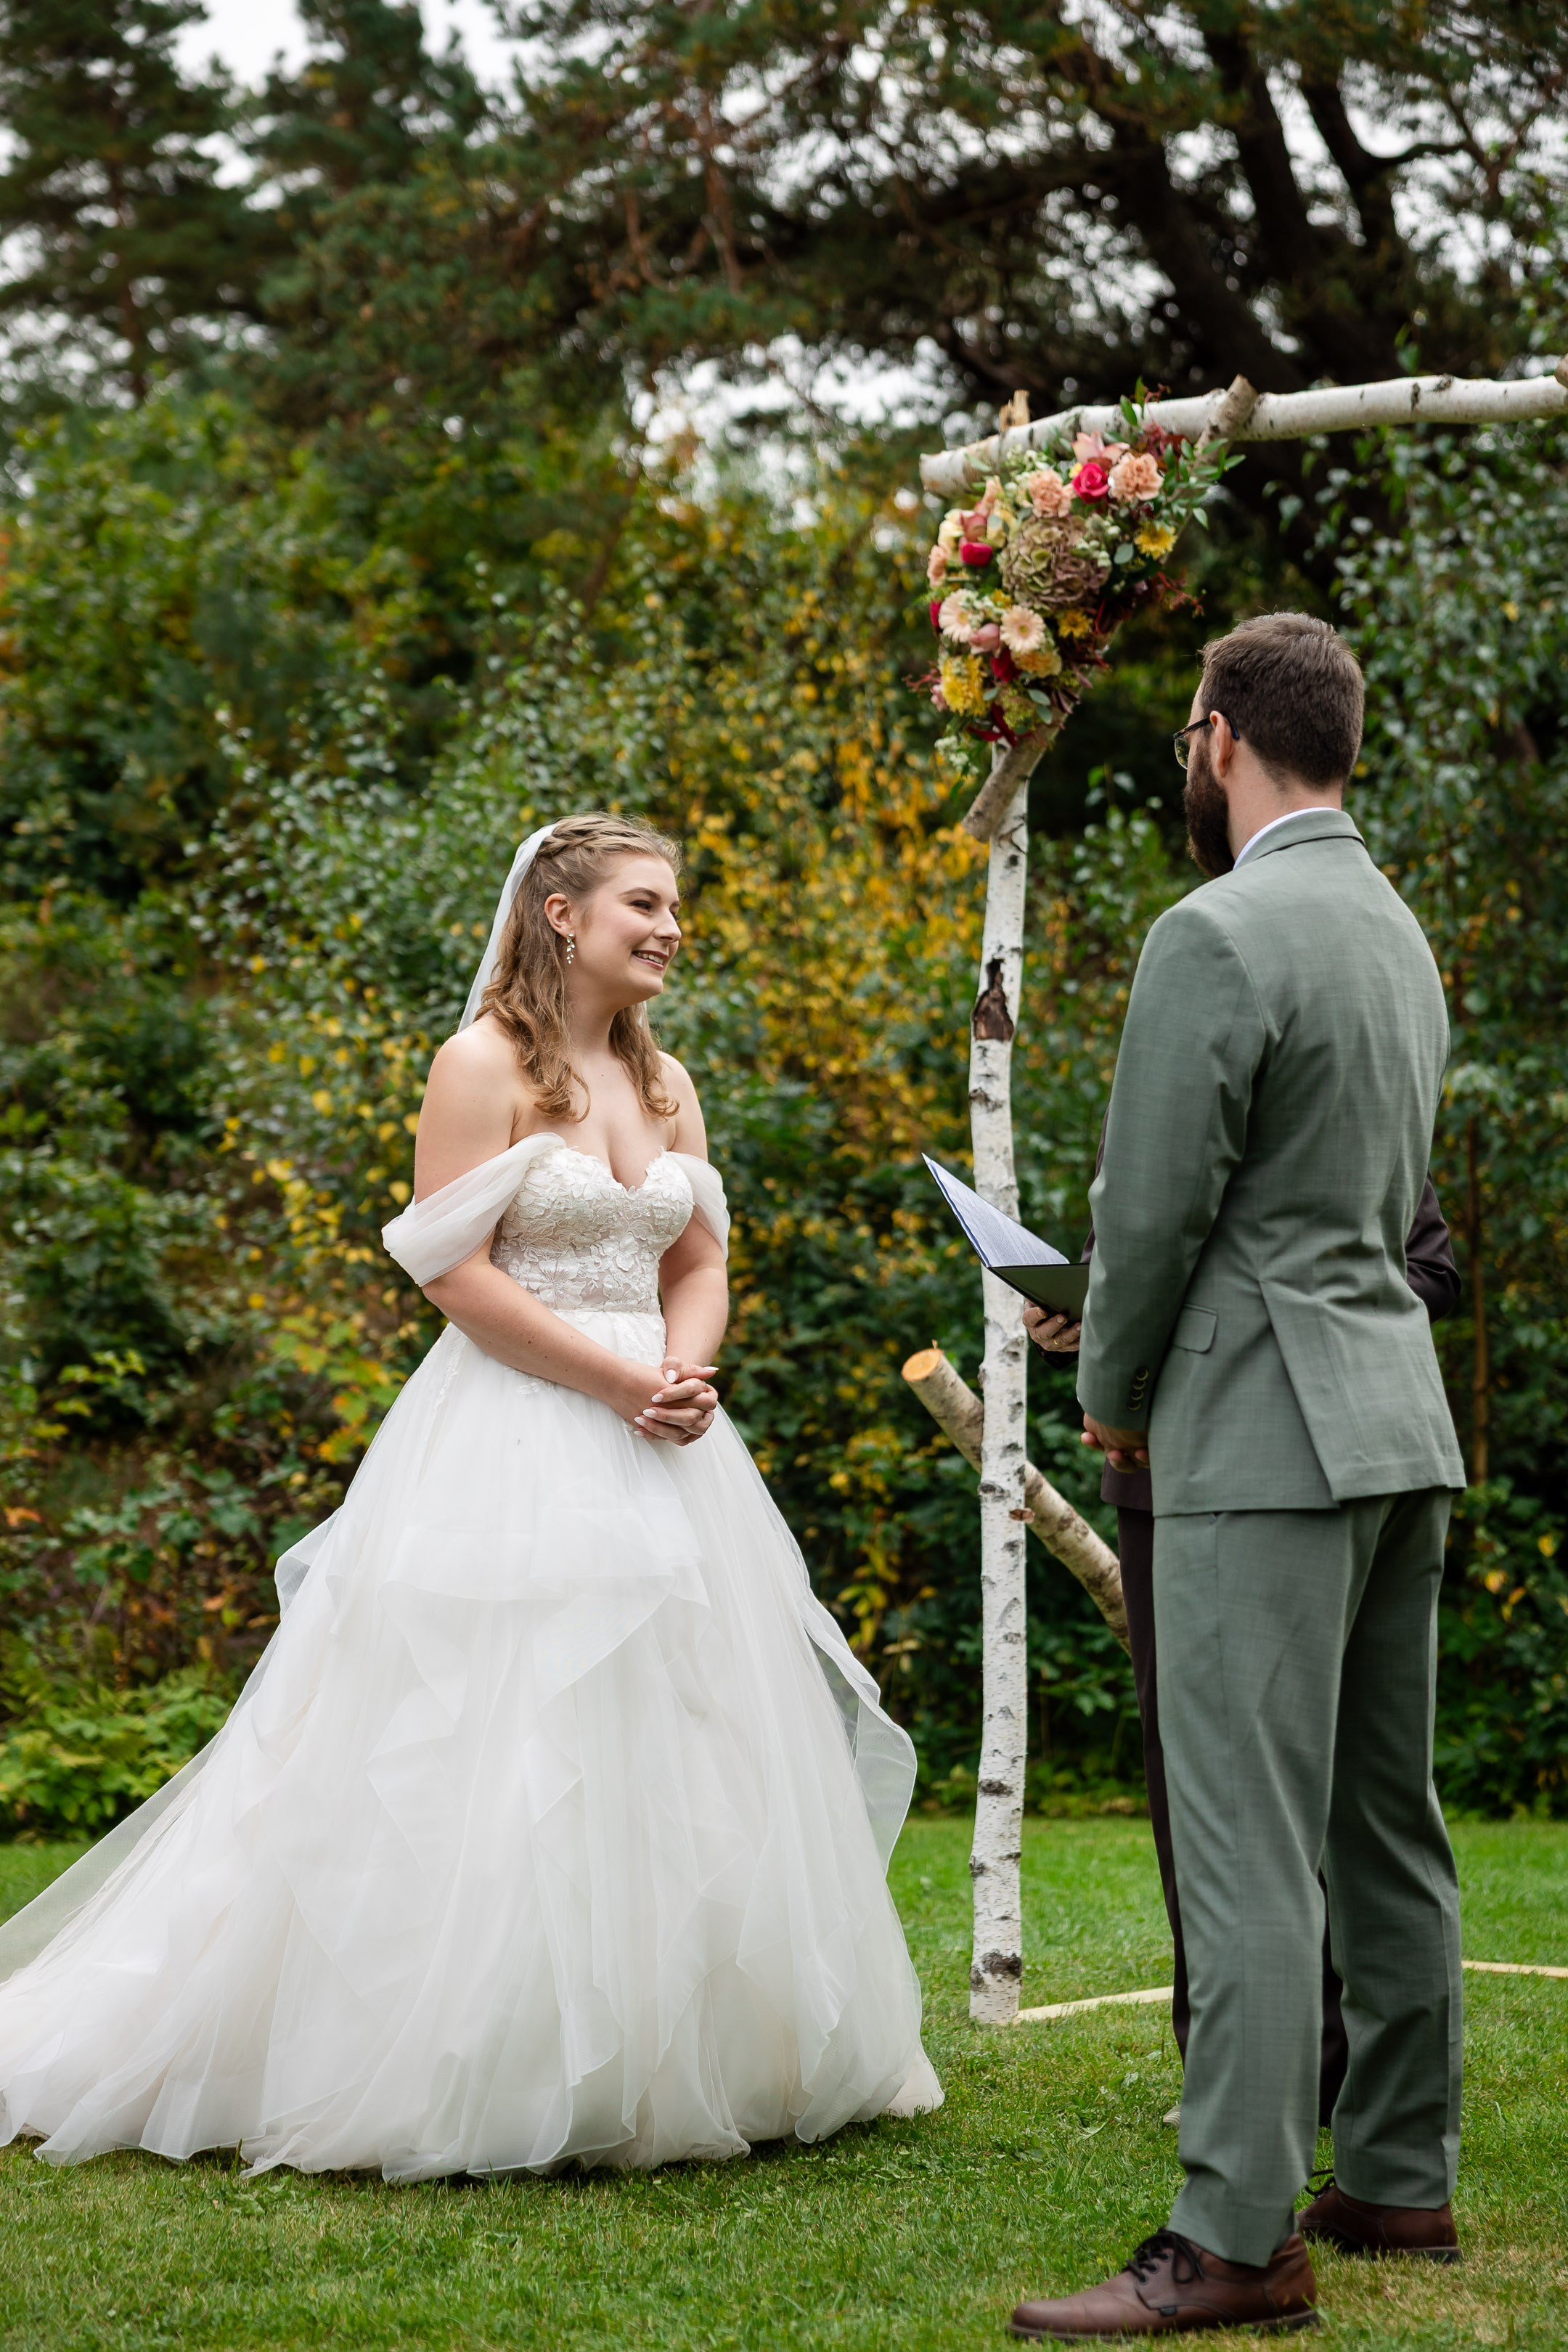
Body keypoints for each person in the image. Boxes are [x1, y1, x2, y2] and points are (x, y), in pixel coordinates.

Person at [0, 811, 940, 2179]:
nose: (672, 927)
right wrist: (616, 1388)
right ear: (563, 915)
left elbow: (695, 1255)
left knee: (685, 1730)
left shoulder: (666, 1084)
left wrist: (686, 1370)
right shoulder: (481, 1064)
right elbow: (453, 1274)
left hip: (668, 1441)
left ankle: (684, 2051)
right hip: (513, 1432)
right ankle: (475, 2052)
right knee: (504, 1739)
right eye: (645, 903)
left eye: (676, 906)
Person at [1012, 616, 1466, 2341]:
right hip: (1396, 1423)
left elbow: (1152, 1213)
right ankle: (1401, 2174)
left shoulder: (1214, 931)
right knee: (1387, 1824)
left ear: (1215, 739)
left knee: (1250, 1841)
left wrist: (1114, 1394)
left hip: (1258, 1436)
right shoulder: (1398, 932)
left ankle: (1233, 2238)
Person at [1026, 1182, 1459, 2128]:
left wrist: (1237, 1316)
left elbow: (1430, 1276)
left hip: (1303, 1467)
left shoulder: (1337, 1112)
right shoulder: (1147, 1115)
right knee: (1185, 1772)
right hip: (1154, 1468)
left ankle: (1329, 2066)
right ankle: (1220, 2059)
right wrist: (1079, 1320)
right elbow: (1122, 1274)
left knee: (1324, 1780)